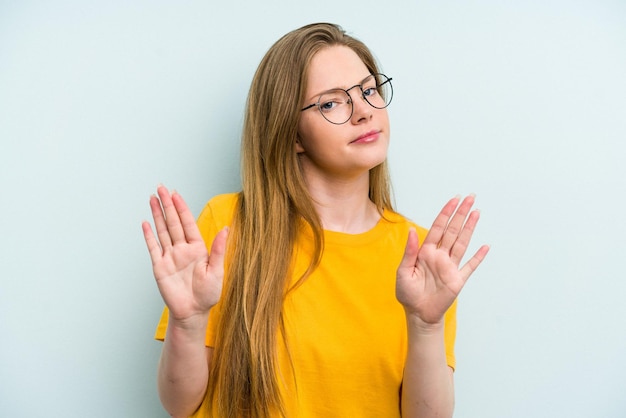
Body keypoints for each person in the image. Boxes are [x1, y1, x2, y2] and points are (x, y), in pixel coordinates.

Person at [142, 22, 489, 418]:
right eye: (331, 103)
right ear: (292, 134)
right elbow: (179, 404)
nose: (363, 112)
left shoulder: (421, 257)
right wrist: (188, 323)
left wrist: (425, 326)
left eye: (369, 90)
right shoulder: (227, 226)